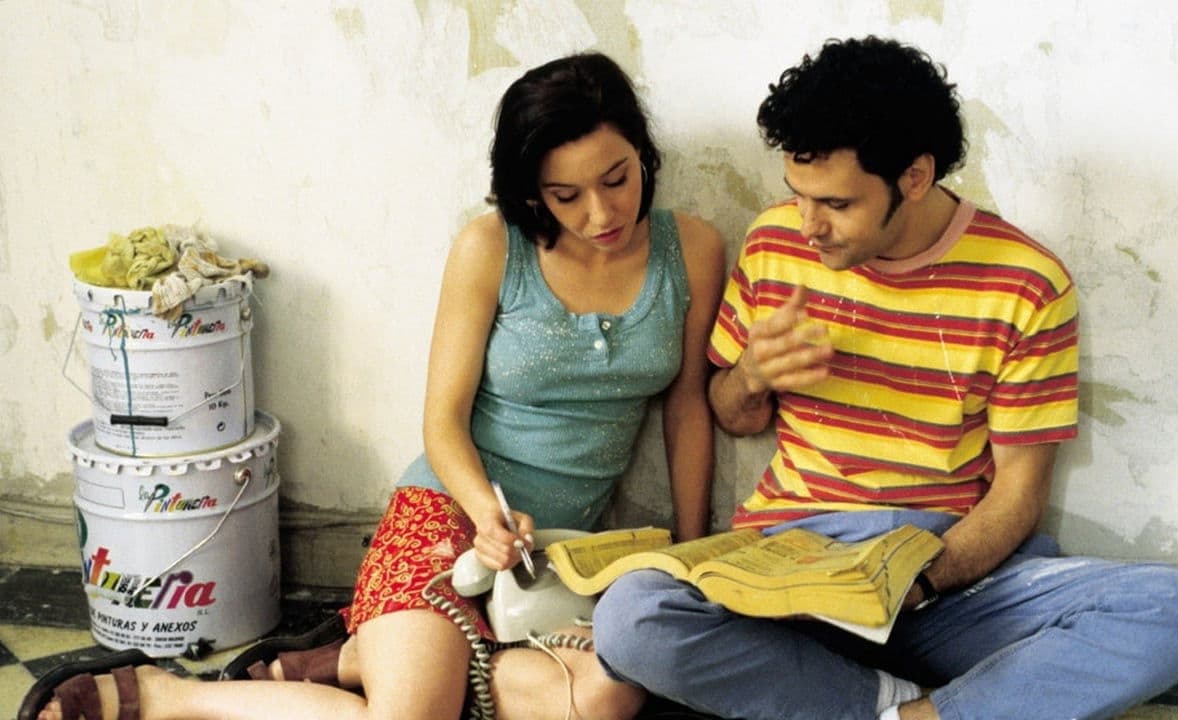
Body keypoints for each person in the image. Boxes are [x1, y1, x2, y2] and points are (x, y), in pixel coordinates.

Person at [22, 51, 724, 720]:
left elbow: (687, 407)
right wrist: (486, 515)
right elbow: (442, 421)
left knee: (604, 700)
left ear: (643, 154)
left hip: (562, 557)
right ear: (531, 191)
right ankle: (167, 695)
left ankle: (366, 657)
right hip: (450, 514)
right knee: (412, 714)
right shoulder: (491, 248)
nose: (601, 214)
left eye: (618, 179)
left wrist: (690, 560)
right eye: (565, 196)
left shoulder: (691, 250)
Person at [592, 36, 1178, 720]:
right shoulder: (775, 243)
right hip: (791, 563)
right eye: (798, 196)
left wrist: (907, 582)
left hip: (943, 577)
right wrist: (750, 376)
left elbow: (1018, 494)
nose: (809, 225)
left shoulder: (1024, 282)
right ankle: (897, 703)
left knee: (1174, 610)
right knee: (632, 616)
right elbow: (734, 416)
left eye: (836, 204)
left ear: (915, 177)